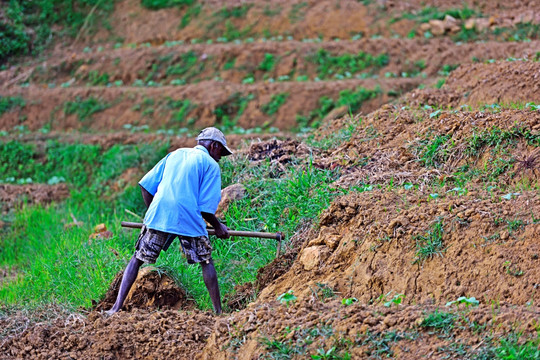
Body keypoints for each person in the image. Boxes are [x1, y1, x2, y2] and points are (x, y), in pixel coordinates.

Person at [106, 127, 232, 316]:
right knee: (206, 261)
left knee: (137, 259)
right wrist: (218, 227)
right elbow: (205, 209)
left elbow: (146, 187)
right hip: (188, 217)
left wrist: (153, 215)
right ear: (214, 146)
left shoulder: (175, 154)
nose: (220, 157)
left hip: (159, 213)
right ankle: (218, 312)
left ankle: (115, 308)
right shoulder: (211, 165)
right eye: (221, 152)